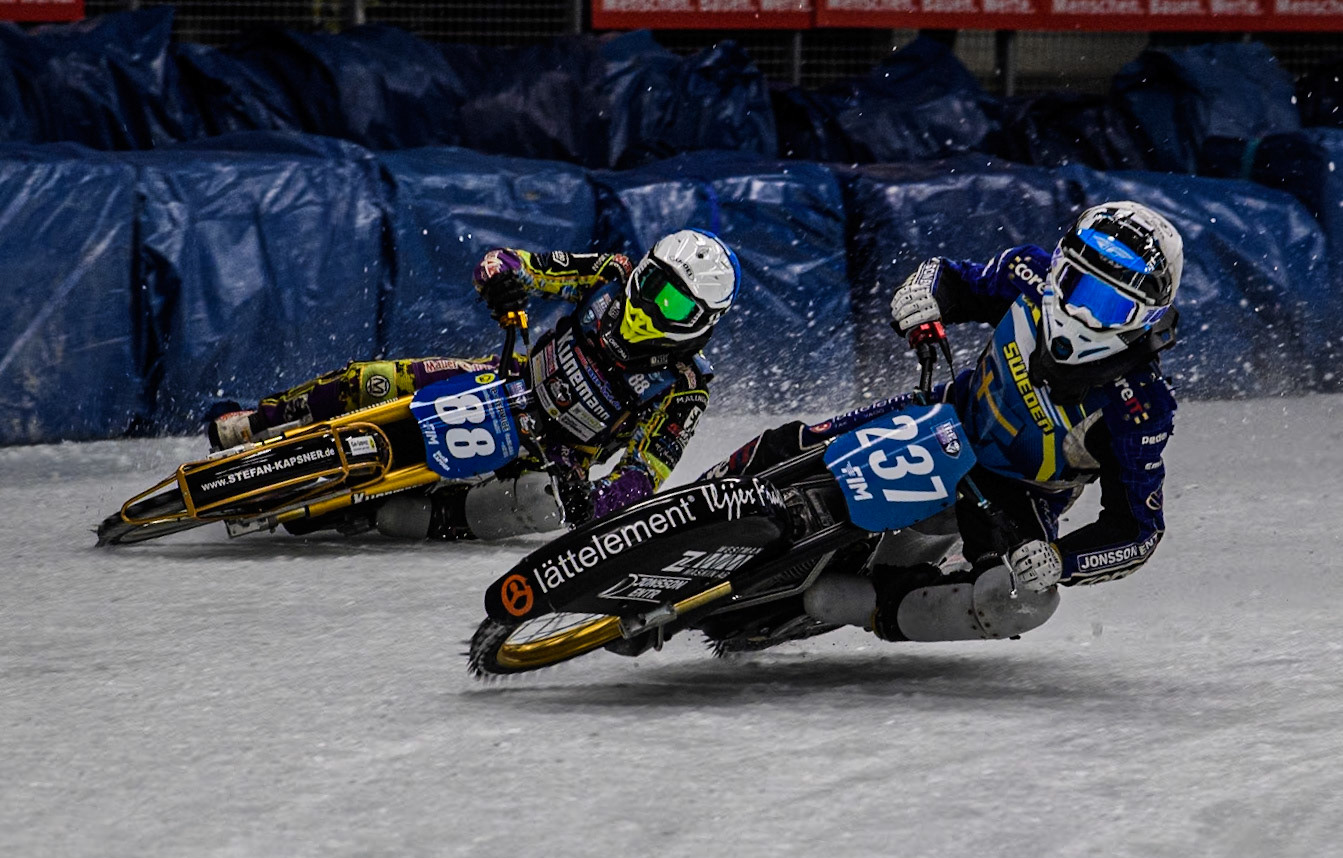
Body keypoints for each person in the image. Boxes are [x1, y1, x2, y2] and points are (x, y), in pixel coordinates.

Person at [712, 201, 1182, 644]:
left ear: (1145, 320)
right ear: (1058, 269)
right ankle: (695, 495)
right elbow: (954, 277)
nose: (1081, 313)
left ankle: (865, 604)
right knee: (793, 442)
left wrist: (1060, 560)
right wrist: (923, 296)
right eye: (1077, 287)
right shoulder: (1028, 273)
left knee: (1017, 601)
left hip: (1017, 495)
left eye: (1109, 307)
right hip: (943, 415)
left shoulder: (1141, 405)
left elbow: (1138, 529)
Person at [207, 228, 741, 540]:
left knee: (540, 503)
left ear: (700, 319)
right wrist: (504, 283)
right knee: (368, 381)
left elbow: (643, 478)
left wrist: (593, 500)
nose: (646, 302)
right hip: (503, 378)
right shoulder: (611, 273)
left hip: (553, 458)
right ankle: (258, 421)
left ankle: (389, 514)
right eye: (650, 283)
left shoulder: (685, 386)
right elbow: (508, 261)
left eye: (669, 301)